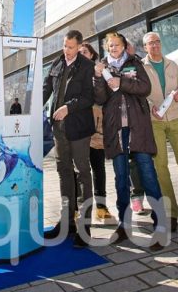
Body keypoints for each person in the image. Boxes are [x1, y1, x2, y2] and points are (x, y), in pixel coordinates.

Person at [94, 31, 167, 249]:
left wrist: (122, 82)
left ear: (124, 46)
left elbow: (145, 88)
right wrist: (99, 78)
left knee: (147, 174)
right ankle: (124, 227)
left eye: (116, 45)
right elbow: (99, 99)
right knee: (121, 178)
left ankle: (160, 225)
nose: (113, 49)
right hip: (116, 130)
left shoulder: (135, 63)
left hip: (138, 128)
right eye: (110, 46)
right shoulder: (103, 67)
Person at [142, 31, 178, 236]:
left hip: (175, 119)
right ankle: (172, 214)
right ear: (145, 47)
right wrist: (150, 107)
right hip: (154, 122)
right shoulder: (141, 67)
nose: (155, 45)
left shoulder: (172, 64)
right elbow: (139, 93)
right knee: (161, 167)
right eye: (151, 43)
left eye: (157, 42)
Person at [42, 30, 96, 247]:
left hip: (79, 127)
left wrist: (68, 107)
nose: (67, 51)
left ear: (79, 45)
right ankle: (66, 223)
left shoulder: (87, 66)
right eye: (65, 46)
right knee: (63, 171)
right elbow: (47, 88)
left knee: (82, 172)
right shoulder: (57, 63)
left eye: (71, 47)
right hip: (58, 127)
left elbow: (89, 97)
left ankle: (84, 226)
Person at [79, 42, 112, 222]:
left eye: (85, 51)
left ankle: (101, 207)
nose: (82, 54)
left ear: (92, 55)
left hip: (96, 127)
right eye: (79, 52)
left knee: (98, 168)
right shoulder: (74, 72)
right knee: (79, 169)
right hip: (78, 127)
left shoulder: (100, 70)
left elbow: (104, 97)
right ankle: (80, 209)